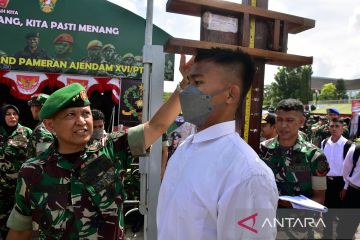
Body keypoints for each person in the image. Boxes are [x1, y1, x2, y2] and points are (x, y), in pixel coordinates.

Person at [6, 79, 184, 239]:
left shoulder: (112, 149)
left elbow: (157, 125)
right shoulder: (33, 171)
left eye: (86, 113)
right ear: (50, 125)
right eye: (71, 115)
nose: (81, 121)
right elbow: (21, 229)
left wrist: (184, 85)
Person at [157, 48, 278, 239]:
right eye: (188, 82)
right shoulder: (185, 149)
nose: (187, 92)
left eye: (197, 82)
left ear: (230, 94)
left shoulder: (247, 174)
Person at [259, 98, 329, 239]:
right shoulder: (262, 150)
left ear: (301, 122)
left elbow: (319, 198)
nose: (283, 125)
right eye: (279, 119)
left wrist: (286, 203)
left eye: (290, 120)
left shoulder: (315, 156)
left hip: (297, 230)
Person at [0, 105, 32, 239]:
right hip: (1, 189)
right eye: (8, 114)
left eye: (15, 114)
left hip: (19, 188)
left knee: (17, 224)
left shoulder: (27, 132)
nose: (12, 117)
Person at [320, 118, 353, 239]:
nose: (334, 129)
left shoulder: (348, 145)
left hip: (342, 182)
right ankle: (327, 234)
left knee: (342, 212)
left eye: (337, 126)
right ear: (328, 127)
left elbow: (350, 168)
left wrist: (345, 187)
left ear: (342, 128)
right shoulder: (324, 143)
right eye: (332, 126)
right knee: (326, 211)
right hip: (327, 181)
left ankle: (342, 235)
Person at [337, 141, 360, 239]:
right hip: (355, 192)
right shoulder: (355, 150)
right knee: (346, 226)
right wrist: (345, 187)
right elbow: (346, 171)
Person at [27, 93, 54, 158]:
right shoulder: (53, 124)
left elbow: (43, 160)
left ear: (36, 109)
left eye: (32, 106)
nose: (31, 109)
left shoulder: (42, 130)